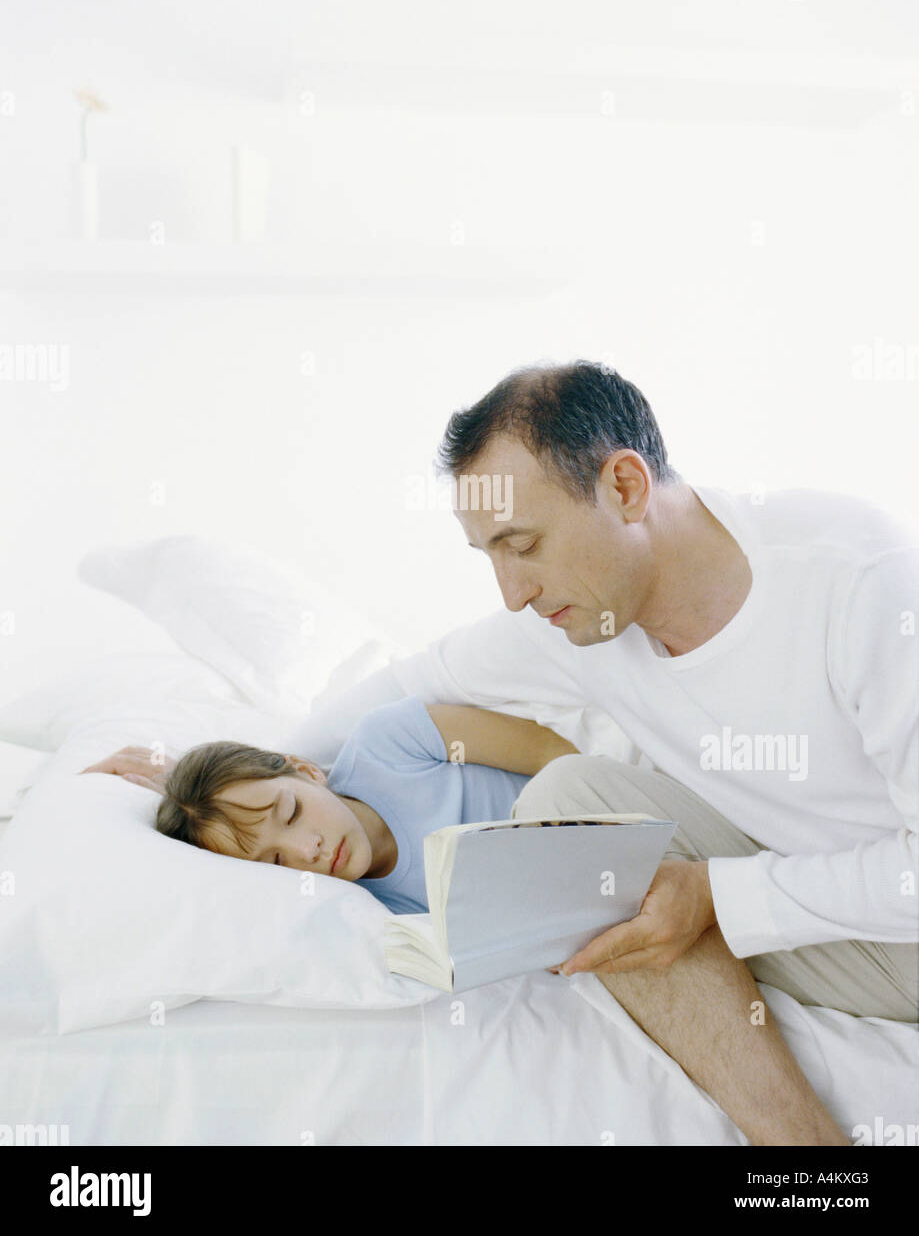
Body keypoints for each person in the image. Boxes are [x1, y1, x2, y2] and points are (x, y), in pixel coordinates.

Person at [282, 359, 918, 1146]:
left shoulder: (859, 582)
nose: (512, 592)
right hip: (839, 923)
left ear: (624, 487)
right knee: (570, 806)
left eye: (523, 545)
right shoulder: (577, 620)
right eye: (489, 556)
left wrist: (717, 895)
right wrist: (227, 770)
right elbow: (410, 680)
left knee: (572, 812)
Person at [81, 698, 578, 913]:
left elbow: (552, 751)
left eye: (291, 812)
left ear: (306, 769)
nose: (309, 849)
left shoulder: (388, 743)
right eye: (276, 861)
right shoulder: (371, 911)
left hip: (607, 809)